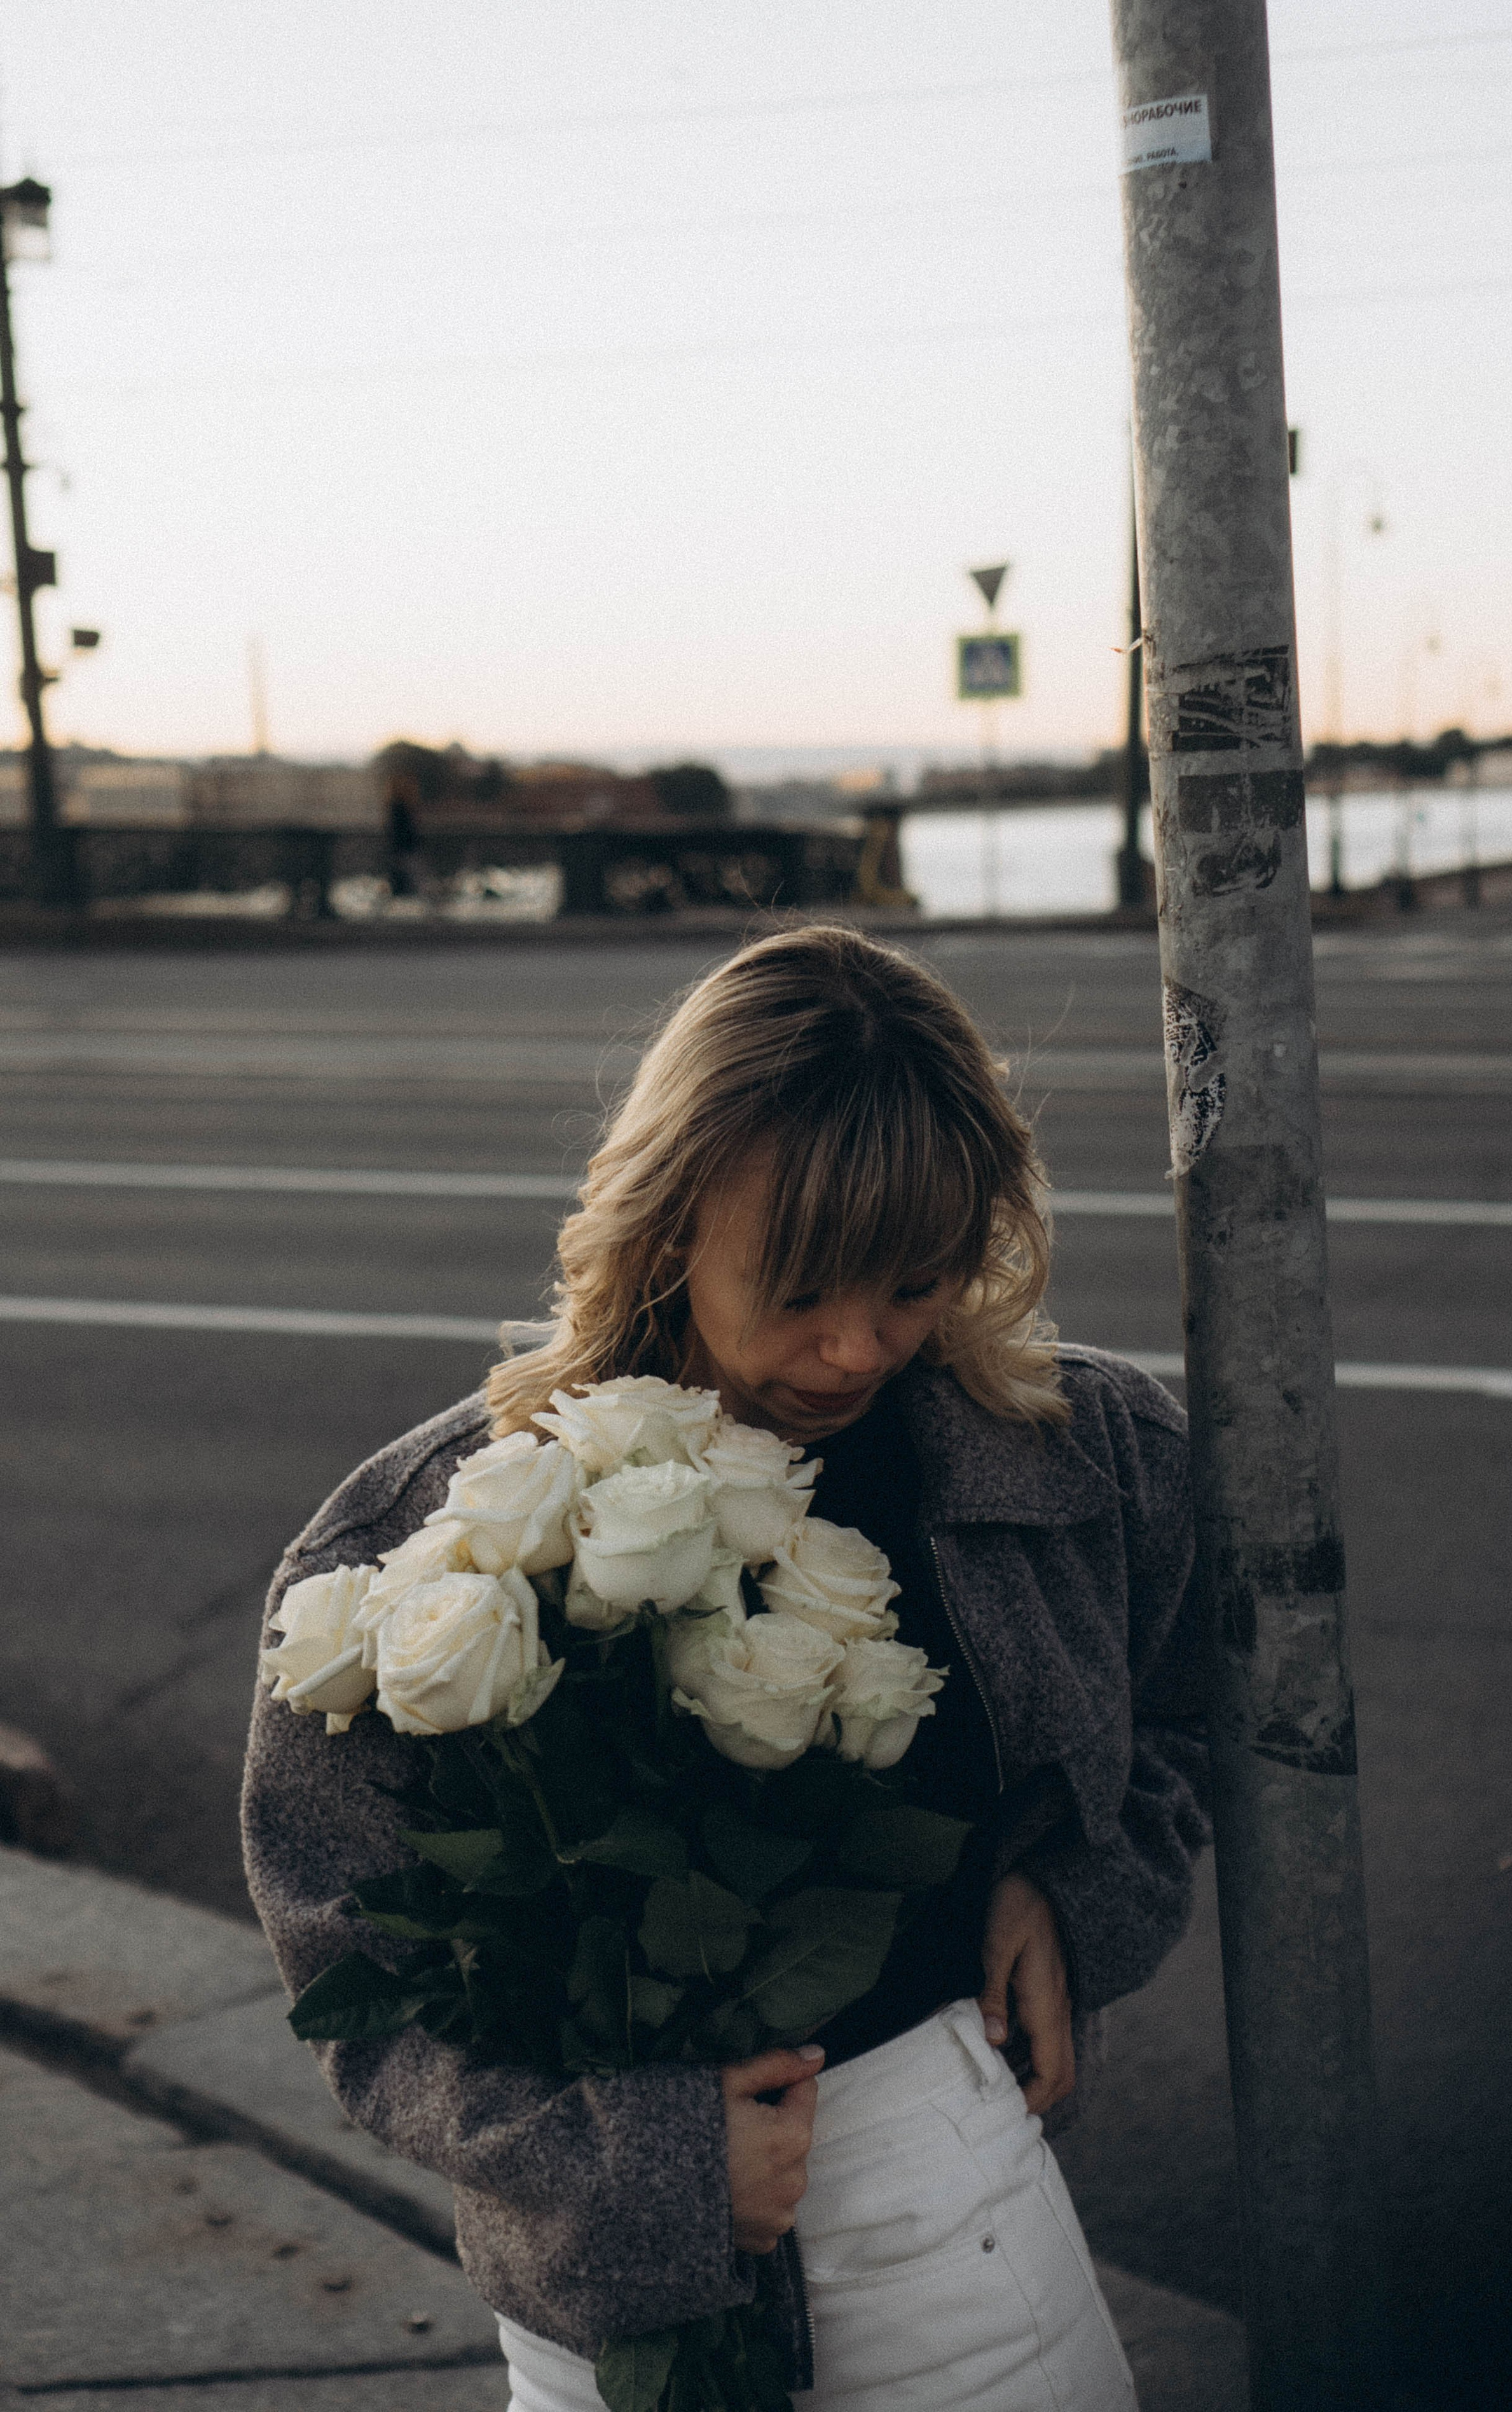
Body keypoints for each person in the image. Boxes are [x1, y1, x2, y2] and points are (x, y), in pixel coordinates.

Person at [242, 925, 1209, 2411]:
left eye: (911, 1283)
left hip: (945, 2220)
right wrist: (645, 2164)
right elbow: (354, 1968)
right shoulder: (430, 1541)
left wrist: (1082, 1891)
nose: (850, 1347)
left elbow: (1189, 1712)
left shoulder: (1081, 1461)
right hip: (596, 2300)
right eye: (805, 1284)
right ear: (678, 1215)